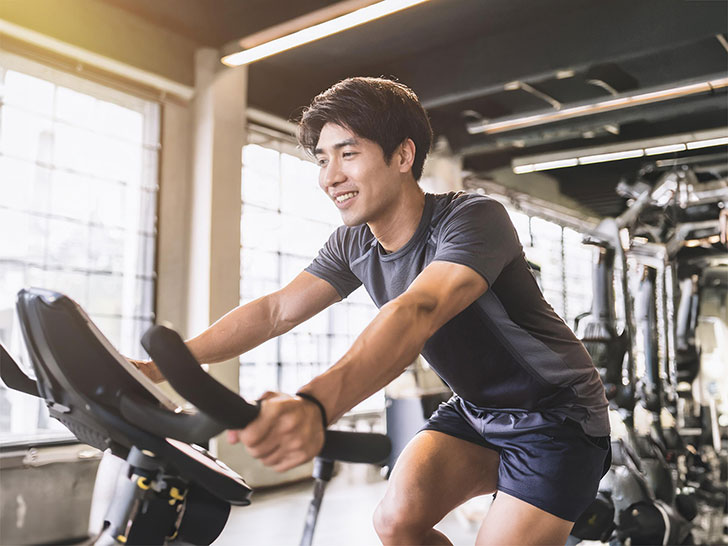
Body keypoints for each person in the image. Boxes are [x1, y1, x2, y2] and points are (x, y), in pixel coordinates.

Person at [134, 76, 610, 545]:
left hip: (556, 417)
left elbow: (418, 310)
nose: (330, 176)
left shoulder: (472, 218)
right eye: (322, 160)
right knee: (396, 523)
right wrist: (158, 367)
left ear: (402, 156)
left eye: (348, 153)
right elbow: (277, 311)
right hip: (476, 411)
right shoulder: (353, 242)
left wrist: (315, 405)